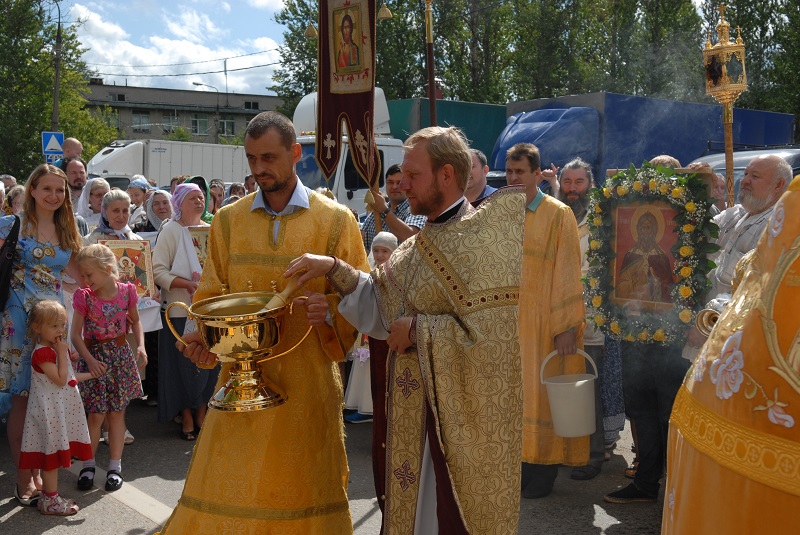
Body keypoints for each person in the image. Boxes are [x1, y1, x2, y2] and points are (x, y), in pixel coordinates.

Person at [286, 125, 527, 533]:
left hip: (455, 428)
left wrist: (418, 331)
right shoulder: (415, 246)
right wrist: (332, 267)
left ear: (447, 175)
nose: (402, 185)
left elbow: (494, 344)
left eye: (413, 175)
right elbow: (378, 301)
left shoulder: (483, 242)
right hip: (412, 417)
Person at [160, 110, 367, 534]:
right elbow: (210, 295)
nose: (259, 169)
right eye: (252, 159)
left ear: (295, 153)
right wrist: (200, 338)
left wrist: (328, 311)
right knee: (228, 488)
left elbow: (361, 297)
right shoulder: (228, 220)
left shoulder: (335, 220)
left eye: (269, 157)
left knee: (303, 491)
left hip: (308, 385)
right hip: (239, 384)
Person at [663, 175, 800, 533]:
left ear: (778, 186)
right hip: (717, 337)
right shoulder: (737, 215)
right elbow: (746, 283)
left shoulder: (783, 214)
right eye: (746, 174)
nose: (746, 181)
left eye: (757, 176)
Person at [504, 143, 588, 500]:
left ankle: (544, 472)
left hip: (544, 325)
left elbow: (568, 271)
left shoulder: (558, 214)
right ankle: (520, 468)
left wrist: (565, 327)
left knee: (543, 397)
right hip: (508, 324)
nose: (513, 178)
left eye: (520, 172)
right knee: (513, 398)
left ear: (537, 174)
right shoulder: (500, 211)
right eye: (509, 171)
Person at [0, 164, 83, 506]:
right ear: (31, 189)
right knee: (22, 400)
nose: (53, 195)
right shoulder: (11, 224)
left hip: (52, 325)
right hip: (19, 323)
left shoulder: (67, 229)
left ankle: (37, 474)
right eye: (46, 188)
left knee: (45, 400)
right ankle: (24, 479)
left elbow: (80, 276)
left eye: (59, 190)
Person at [556, 157, 625, 481]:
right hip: (555, 317)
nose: (572, 189)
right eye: (567, 182)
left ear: (590, 184)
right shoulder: (556, 215)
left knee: (588, 390)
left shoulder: (600, 220)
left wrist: (573, 313)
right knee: (561, 386)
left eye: (579, 182)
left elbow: (596, 274)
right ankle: (564, 450)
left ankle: (592, 455)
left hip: (589, 320)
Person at [71, 244, 147, 492]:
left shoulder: (127, 291)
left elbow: (136, 322)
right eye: (83, 275)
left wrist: (141, 346)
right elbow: (75, 335)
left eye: (89, 274)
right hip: (94, 358)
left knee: (116, 413)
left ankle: (115, 467)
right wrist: (89, 360)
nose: (85, 280)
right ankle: (88, 466)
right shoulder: (84, 296)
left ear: (106, 268)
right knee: (95, 415)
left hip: (119, 358)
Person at [19, 300, 95, 516]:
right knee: (50, 458)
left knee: (53, 455)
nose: (60, 330)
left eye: (62, 325)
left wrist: (91, 374)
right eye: (54, 326)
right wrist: (62, 353)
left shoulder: (53, 349)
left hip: (56, 410)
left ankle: (49, 497)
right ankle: (50, 501)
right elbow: (61, 380)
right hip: (49, 412)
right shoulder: (43, 353)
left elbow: (69, 377)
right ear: (37, 327)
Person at [153, 183, 216, 440]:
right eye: (193, 198)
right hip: (179, 311)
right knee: (182, 366)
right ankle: (186, 415)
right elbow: (158, 271)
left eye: (201, 197)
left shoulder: (210, 230)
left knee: (206, 364)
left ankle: (202, 412)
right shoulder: (170, 230)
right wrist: (186, 284)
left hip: (207, 310)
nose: (199, 201)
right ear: (179, 202)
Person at [342, 231, 398, 425]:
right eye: (376, 250)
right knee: (364, 368)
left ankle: (374, 409)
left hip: (385, 331)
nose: (380, 255)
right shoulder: (369, 270)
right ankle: (362, 405)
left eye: (385, 251)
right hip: (367, 329)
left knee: (380, 372)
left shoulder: (397, 273)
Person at [361, 163, 426, 251]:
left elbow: (411, 238)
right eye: (390, 182)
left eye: (399, 182)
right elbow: (360, 239)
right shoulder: (376, 212)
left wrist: (384, 210)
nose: (394, 187)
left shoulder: (416, 209)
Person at [615, 210, 673, 303]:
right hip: (633, 305)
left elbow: (669, 289)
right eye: (643, 228)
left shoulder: (662, 257)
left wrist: (657, 283)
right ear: (639, 230)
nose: (645, 231)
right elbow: (621, 286)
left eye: (649, 228)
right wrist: (633, 281)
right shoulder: (630, 256)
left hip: (656, 307)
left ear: (654, 230)